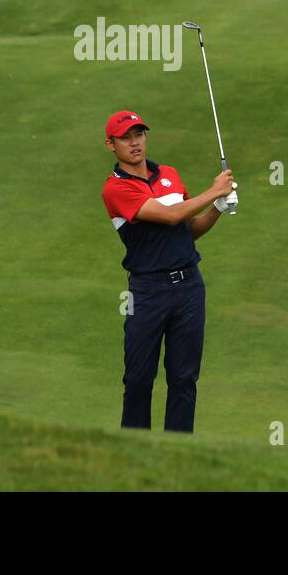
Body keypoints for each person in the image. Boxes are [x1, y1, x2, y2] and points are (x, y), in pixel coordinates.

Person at [100, 109, 235, 434]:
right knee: (139, 378)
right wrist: (214, 191)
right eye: (125, 138)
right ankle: (133, 457)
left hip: (189, 286)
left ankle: (178, 455)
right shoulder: (115, 189)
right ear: (111, 145)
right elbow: (169, 216)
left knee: (184, 378)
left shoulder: (169, 175)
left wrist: (217, 208)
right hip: (148, 292)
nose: (134, 143)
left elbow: (188, 229)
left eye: (139, 135)